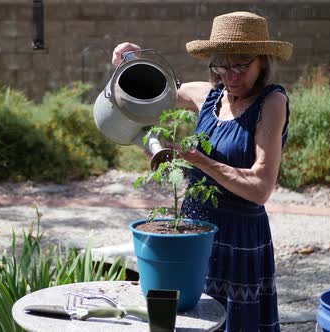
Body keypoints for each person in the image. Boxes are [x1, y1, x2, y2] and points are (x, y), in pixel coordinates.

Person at [112, 11, 293, 332]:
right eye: (220, 65)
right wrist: (129, 62)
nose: (230, 75)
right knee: (192, 319)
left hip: (240, 237)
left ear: (262, 62)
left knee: (237, 323)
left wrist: (201, 161)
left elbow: (261, 187)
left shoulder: (271, 102)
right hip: (193, 231)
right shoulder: (207, 95)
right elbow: (144, 94)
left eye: (240, 65)